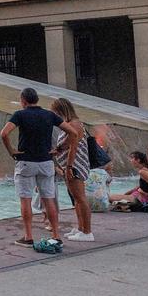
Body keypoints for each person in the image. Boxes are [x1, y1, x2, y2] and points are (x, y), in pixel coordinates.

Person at [0, 87, 80, 247]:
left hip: (26, 162)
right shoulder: (50, 115)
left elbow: (4, 133)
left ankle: (28, 236)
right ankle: (56, 235)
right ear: (37, 99)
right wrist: (60, 148)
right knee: (49, 199)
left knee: (26, 199)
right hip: (46, 162)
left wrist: (11, 151)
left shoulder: (20, 114)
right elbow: (73, 133)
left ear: (23, 100)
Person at [51, 98, 94, 242]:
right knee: (76, 198)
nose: (54, 114)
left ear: (61, 110)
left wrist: (69, 166)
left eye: (55, 111)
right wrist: (58, 150)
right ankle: (81, 228)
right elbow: (67, 144)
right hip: (70, 165)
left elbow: (73, 146)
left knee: (80, 198)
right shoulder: (71, 124)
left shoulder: (75, 124)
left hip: (75, 165)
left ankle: (87, 231)